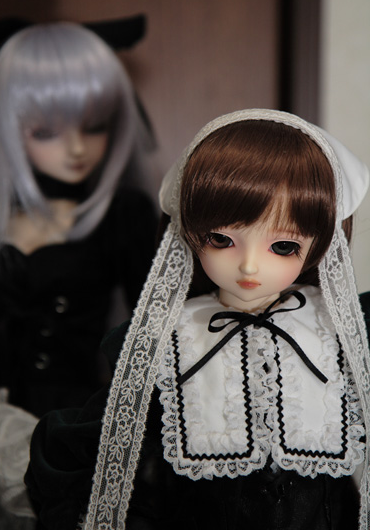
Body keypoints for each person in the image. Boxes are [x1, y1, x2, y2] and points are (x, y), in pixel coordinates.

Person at [25, 109, 370, 530]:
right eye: (221, 240)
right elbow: (87, 448)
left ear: (319, 247)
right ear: (189, 234)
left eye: (283, 246)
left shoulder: (342, 333)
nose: (249, 266)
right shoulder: (170, 340)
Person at [0, 22, 158, 418]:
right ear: (6, 129)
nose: (76, 148)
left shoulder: (122, 216)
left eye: (95, 127)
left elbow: (153, 332)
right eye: (46, 132)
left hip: (71, 422)